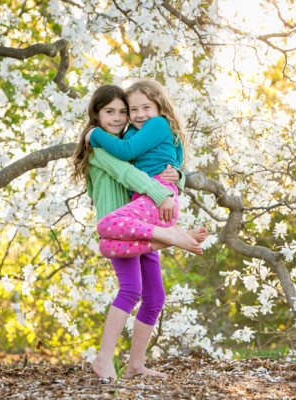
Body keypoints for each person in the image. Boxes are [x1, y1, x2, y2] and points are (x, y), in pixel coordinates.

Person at [71, 84, 206, 379]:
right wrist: (163, 194)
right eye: (110, 112)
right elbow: (128, 174)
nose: (119, 118)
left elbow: (161, 161)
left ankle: (136, 365)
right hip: (119, 226)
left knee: (155, 297)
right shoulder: (98, 147)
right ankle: (104, 359)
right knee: (132, 289)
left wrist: (178, 177)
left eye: (123, 112)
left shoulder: (131, 137)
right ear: (96, 115)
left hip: (142, 223)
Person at [85, 79, 202, 259]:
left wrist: (95, 133)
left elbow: (127, 152)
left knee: (105, 225)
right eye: (133, 110)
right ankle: (173, 237)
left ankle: (172, 236)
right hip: (144, 200)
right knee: (106, 246)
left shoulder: (157, 123)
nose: (140, 115)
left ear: (159, 107)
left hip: (158, 197)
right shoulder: (132, 132)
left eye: (146, 108)